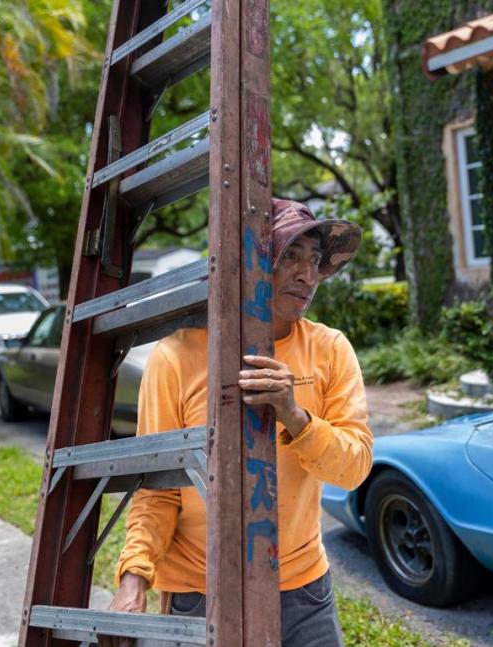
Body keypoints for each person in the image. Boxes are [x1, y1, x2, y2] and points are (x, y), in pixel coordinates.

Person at [107, 198, 373, 647]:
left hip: (302, 586)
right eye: (289, 256)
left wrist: (295, 416)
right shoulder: (177, 357)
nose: (307, 275)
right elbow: (158, 489)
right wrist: (133, 579)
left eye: (314, 260)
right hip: (199, 588)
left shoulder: (330, 349)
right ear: (247, 261)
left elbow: (355, 468)